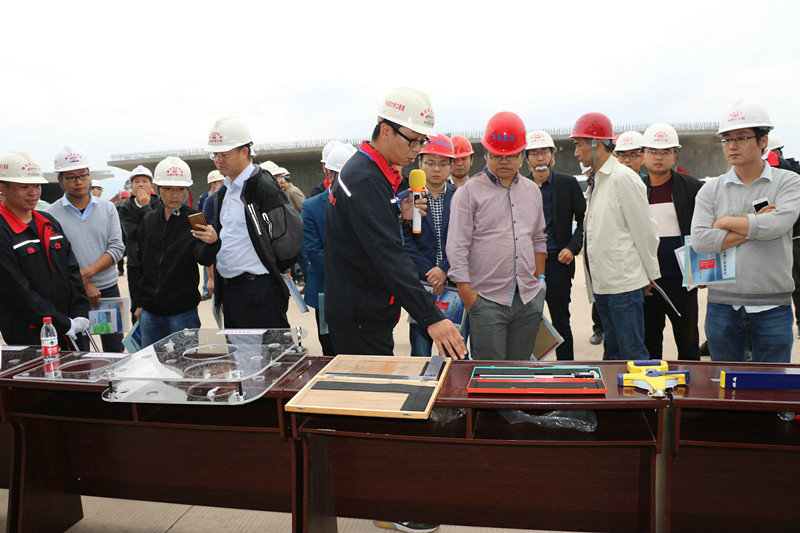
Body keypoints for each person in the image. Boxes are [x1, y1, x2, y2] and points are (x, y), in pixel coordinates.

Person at [324, 87, 466, 360]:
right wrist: (432, 317)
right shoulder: (367, 180)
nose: (417, 149)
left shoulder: (366, 169)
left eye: (421, 142)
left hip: (360, 309)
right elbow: (388, 256)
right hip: (361, 317)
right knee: (369, 386)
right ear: (386, 130)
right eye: (412, 141)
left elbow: (362, 231)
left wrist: (397, 214)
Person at [691, 100, 800, 362]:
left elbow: (777, 225)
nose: (732, 145)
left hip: (773, 305)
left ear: (763, 141)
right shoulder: (710, 189)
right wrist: (755, 223)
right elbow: (700, 240)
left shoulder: (789, 182)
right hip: (721, 306)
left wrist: (724, 221)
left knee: (771, 384)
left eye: (741, 138)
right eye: (727, 139)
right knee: (726, 381)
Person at [447, 112, 547, 360]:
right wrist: (469, 297)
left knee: (520, 370)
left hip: (528, 298)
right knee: (490, 372)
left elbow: (538, 238)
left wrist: (540, 282)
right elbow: (457, 247)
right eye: (497, 155)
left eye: (511, 155)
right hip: (486, 300)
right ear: (485, 154)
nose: (504, 161)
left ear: (522, 155)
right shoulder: (468, 193)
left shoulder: (532, 191)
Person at [573, 112, 660, 360]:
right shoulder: (598, 179)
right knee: (613, 355)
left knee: (632, 354)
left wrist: (650, 275)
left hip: (624, 286)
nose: (576, 153)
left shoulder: (623, 178)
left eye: (579, 145)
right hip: (604, 285)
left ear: (595, 144)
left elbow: (646, 231)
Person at [206, 116, 301, 329]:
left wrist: (275, 268)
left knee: (268, 348)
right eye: (215, 155)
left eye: (225, 155)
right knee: (238, 348)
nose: (219, 160)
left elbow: (288, 232)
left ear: (244, 152)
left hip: (259, 290)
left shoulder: (262, 185)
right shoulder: (224, 191)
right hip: (230, 290)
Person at [0, 151, 90, 349]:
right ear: (3, 188)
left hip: (72, 329)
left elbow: (72, 270)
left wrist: (79, 313)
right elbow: (18, 291)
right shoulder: (3, 231)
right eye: (24, 187)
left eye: (37, 186)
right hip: (31, 334)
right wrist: (62, 323)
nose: (33, 192)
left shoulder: (48, 222)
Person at [47, 145, 125, 352]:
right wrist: (83, 283)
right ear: (60, 180)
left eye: (83, 175)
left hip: (108, 291)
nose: (79, 182)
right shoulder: (51, 215)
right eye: (72, 177)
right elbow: (55, 258)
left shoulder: (108, 208)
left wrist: (88, 274)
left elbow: (117, 248)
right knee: (79, 352)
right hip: (73, 294)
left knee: (114, 349)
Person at [135, 157, 220, 346]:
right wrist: (139, 303)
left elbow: (204, 258)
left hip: (183, 314)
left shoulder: (195, 220)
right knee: (150, 362)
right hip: (149, 312)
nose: (174, 195)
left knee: (184, 362)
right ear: (158, 189)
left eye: (180, 189)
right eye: (168, 189)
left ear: (186, 190)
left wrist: (213, 242)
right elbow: (139, 263)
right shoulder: (148, 219)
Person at [640, 123, 703, 360]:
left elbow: (704, 229)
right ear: (643, 155)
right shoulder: (635, 188)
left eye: (665, 151)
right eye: (653, 151)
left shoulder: (692, 187)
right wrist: (639, 276)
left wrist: (701, 272)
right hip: (648, 282)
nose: (659, 157)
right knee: (650, 344)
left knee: (688, 342)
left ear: (675, 155)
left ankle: (691, 383)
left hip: (683, 280)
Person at [524, 129, 585, 360]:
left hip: (558, 262)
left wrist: (572, 247)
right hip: (528, 266)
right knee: (526, 322)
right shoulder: (520, 186)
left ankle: (566, 369)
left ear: (552, 155)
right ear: (527, 158)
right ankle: (527, 369)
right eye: (534, 153)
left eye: (544, 152)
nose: (540, 158)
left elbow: (584, 220)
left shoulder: (567, 184)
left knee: (561, 321)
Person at [398, 133, 458, 356]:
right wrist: (430, 273)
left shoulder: (461, 197)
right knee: (421, 353)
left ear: (451, 166)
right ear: (420, 163)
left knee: (455, 351)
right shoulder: (406, 198)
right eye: (430, 163)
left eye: (443, 164)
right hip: (421, 286)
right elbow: (404, 242)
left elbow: (465, 240)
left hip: (454, 284)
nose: (436, 169)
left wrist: (444, 269)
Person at [301, 144, 357, 355]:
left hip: (361, 294)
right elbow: (313, 252)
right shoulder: (312, 207)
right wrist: (351, 272)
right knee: (331, 349)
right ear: (329, 173)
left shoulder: (366, 204)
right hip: (327, 291)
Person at [118, 165, 158, 324]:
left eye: (144, 181)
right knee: (137, 308)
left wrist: (147, 206)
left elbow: (158, 232)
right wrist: (146, 210)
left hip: (157, 262)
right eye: (136, 181)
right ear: (131, 186)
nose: (141, 184)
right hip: (136, 263)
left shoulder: (159, 203)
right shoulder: (126, 207)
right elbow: (133, 233)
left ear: (151, 185)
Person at [197, 170, 224, 299]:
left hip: (220, 235)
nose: (222, 183)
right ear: (212, 183)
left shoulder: (225, 195)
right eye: (219, 181)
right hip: (209, 234)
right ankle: (206, 290)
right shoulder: (205, 198)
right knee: (207, 261)